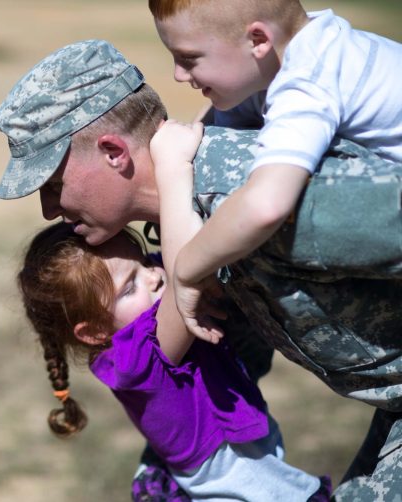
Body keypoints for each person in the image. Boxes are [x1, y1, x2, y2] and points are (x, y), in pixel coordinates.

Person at [0, 39, 402, 500]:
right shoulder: (169, 232)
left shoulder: (249, 194)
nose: (48, 210)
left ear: (113, 151)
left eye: (52, 184)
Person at [17, 121, 331, 498]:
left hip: (240, 447)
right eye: (131, 285)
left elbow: (170, 255)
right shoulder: (131, 359)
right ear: (94, 331)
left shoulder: (134, 307)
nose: (154, 276)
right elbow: (187, 266)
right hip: (230, 474)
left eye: (144, 264)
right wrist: (172, 166)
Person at [147, 0, 402, 340]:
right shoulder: (289, 56)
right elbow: (209, 140)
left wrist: (186, 269)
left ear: (258, 40)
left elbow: (265, 205)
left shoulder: (307, 81)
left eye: (189, 58)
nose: (178, 74)